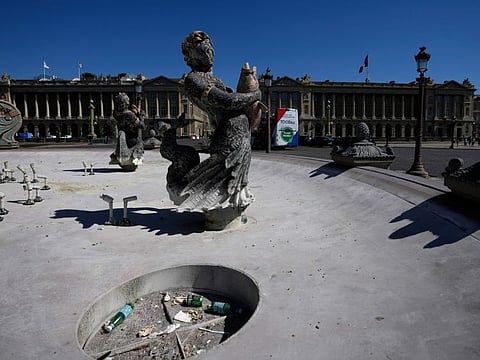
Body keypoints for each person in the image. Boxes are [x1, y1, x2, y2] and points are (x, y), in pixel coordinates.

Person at [173, 30, 262, 211]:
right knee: (218, 189)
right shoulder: (193, 79)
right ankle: (216, 213)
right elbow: (226, 101)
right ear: (190, 56)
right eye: (201, 51)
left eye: (210, 50)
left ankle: (227, 212)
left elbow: (234, 100)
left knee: (235, 186)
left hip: (239, 136)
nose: (208, 54)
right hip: (228, 138)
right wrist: (255, 94)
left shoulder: (215, 78)